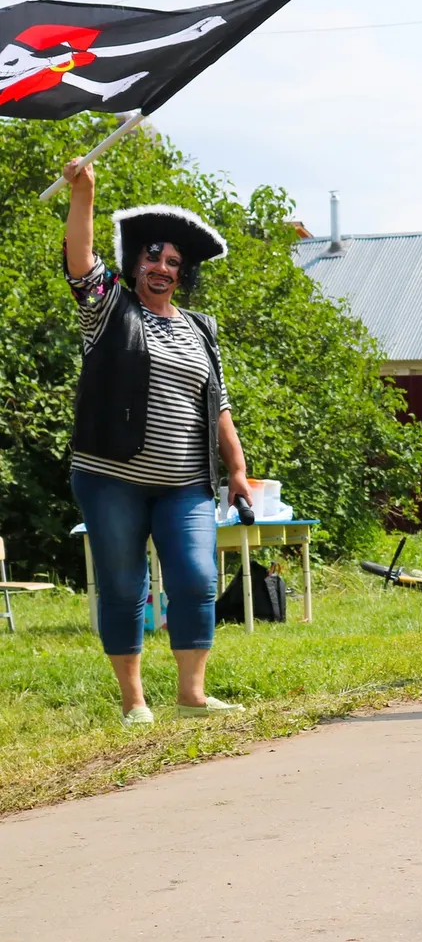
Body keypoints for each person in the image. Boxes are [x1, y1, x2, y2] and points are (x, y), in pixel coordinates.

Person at [59, 159, 250, 727]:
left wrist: (236, 469)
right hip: (110, 477)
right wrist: (84, 195)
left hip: (185, 483)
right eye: (153, 256)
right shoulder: (108, 311)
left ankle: (191, 695)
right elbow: (79, 261)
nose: (163, 267)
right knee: (123, 584)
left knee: (195, 576)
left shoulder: (201, 328)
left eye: (173, 262)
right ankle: (133, 701)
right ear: (134, 262)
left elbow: (217, 405)